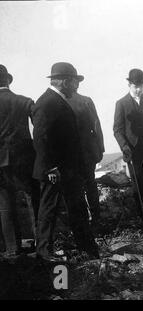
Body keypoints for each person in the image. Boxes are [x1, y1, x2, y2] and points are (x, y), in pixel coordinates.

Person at [31, 62, 99, 262]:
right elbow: (41, 138)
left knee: (78, 209)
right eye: (74, 82)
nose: (77, 87)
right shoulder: (47, 102)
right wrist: (50, 167)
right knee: (48, 211)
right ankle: (43, 253)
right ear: (64, 81)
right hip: (55, 171)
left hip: (69, 170)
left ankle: (88, 250)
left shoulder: (57, 101)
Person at [0, 64, 39, 257]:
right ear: (8, 80)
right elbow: (40, 130)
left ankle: (12, 249)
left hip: (0, 162)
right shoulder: (25, 101)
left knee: (5, 204)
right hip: (25, 159)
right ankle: (40, 244)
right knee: (33, 200)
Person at [113, 69, 143, 217]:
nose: (139, 89)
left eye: (141, 86)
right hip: (133, 149)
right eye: (135, 86)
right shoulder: (121, 103)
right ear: (129, 84)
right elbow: (117, 129)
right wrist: (125, 146)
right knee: (137, 180)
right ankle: (142, 215)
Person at [66, 85, 104, 227]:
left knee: (76, 188)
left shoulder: (59, 102)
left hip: (70, 154)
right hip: (87, 152)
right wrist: (100, 148)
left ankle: (81, 221)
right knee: (90, 184)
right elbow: (96, 126)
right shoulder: (86, 101)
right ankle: (96, 218)